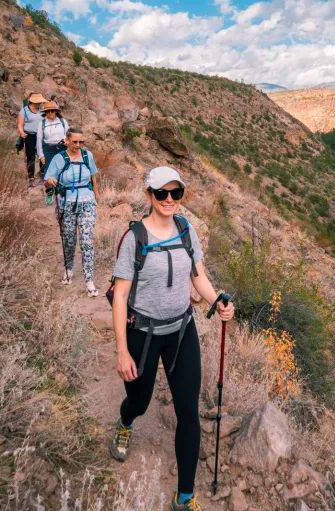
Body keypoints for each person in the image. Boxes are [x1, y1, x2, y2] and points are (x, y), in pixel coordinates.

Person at [108, 166, 235, 511]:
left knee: (188, 413)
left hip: (181, 331)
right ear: (148, 194)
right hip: (142, 334)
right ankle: (126, 421)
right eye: (161, 193)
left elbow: (198, 276)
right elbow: (120, 297)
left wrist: (218, 301)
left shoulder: (185, 229)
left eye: (175, 193)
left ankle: (184, 497)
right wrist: (122, 351)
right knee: (140, 400)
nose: (168, 200)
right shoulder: (135, 238)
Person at [44, 128, 101, 297]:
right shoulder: (58, 159)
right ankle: (69, 269)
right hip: (66, 203)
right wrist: (50, 181)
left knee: (86, 242)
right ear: (67, 141)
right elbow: (47, 181)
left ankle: (89, 280)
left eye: (81, 142)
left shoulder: (87, 155)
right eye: (75, 142)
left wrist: (96, 194)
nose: (78, 145)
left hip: (87, 203)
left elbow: (93, 176)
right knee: (68, 240)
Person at [17, 92, 45, 188]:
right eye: (38, 102)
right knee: (30, 156)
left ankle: (42, 173)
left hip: (41, 136)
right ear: (32, 102)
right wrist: (21, 132)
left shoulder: (42, 111)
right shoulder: (24, 111)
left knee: (42, 154)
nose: (40, 103)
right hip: (29, 135)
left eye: (40, 102)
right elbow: (20, 125)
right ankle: (31, 178)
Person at [37, 101, 69, 173]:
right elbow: (39, 140)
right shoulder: (42, 124)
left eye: (52, 111)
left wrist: (67, 142)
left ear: (56, 111)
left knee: (63, 170)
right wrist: (41, 155)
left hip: (62, 148)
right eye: (48, 111)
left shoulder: (63, 122)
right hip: (48, 150)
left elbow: (68, 135)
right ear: (45, 112)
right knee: (49, 171)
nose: (50, 113)